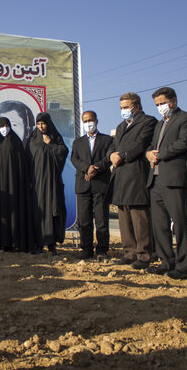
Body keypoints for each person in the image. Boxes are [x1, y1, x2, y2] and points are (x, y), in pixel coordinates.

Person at [145, 87, 187, 279]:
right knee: (160, 225)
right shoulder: (159, 125)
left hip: (174, 180)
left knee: (181, 224)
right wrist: (148, 153)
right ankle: (166, 262)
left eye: (163, 103)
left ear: (173, 101)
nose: (160, 107)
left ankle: (183, 265)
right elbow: (151, 146)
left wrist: (160, 154)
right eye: (157, 104)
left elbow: (184, 143)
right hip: (156, 180)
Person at [108, 93, 157, 269]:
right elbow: (113, 147)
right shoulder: (121, 126)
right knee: (124, 217)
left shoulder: (148, 122)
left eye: (126, 107)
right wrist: (112, 154)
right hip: (120, 176)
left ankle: (143, 255)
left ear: (136, 106)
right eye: (121, 108)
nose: (123, 111)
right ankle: (129, 253)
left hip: (136, 174)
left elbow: (141, 143)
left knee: (139, 217)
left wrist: (122, 155)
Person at [0, 117, 38, 252]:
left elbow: (23, 165)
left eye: (7, 125)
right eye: (1, 126)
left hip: (14, 185)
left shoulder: (16, 143)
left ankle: (15, 241)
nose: (4, 128)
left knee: (14, 212)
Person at [71, 111, 113, 261]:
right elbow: (74, 159)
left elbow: (109, 157)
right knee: (84, 221)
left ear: (96, 120)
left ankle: (102, 250)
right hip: (83, 186)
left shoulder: (107, 140)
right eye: (85, 121)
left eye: (90, 120)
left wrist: (95, 168)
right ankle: (86, 249)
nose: (88, 123)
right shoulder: (78, 142)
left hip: (100, 185)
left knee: (101, 220)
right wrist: (86, 168)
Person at [25, 112, 68, 255]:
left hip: (52, 183)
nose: (41, 126)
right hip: (37, 184)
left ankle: (52, 244)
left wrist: (51, 144)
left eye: (43, 123)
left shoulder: (55, 138)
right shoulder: (31, 141)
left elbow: (63, 152)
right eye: (38, 124)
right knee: (38, 213)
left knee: (53, 211)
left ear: (48, 124)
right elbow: (27, 162)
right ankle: (38, 243)